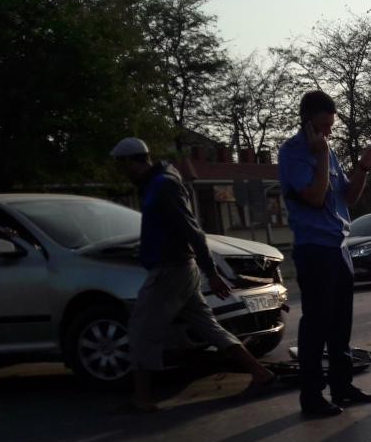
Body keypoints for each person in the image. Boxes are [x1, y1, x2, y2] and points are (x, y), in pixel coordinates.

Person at [110, 137, 277, 412]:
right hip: (175, 268)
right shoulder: (154, 184)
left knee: (140, 330)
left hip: (171, 269)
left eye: (121, 165)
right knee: (208, 326)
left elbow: (192, 230)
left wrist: (211, 272)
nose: (120, 171)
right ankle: (259, 372)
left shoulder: (163, 186)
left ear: (132, 161)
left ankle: (141, 398)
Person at [277, 90, 371, 418]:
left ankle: (342, 386)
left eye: (331, 126)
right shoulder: (293, 153)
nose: (328, 132)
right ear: (307, 123)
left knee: (341, 324)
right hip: (314, 250)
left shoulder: (329, 153)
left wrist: (362, 167)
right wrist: (322, 155)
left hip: (339, 248)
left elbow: (349, 197)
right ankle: (312, 396)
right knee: (316, 325)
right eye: (323, 126)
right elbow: (315, 197)